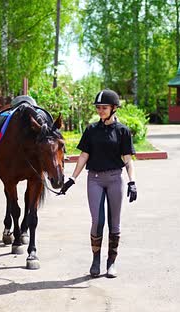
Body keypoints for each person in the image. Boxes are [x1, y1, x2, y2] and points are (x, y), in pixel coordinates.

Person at [59, 89, 137, 278]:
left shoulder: (123, 131)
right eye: (98, 107)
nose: (100, 110)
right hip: (94, 179)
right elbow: (84, 155)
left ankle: (111, 263)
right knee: (97, 220)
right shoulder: (91, 130)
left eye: (104, 107)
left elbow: (127, 158)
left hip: (114, 179)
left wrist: (132, 181)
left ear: (114, 108)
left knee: (114, 222)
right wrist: (72, 178)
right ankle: (96, 260)